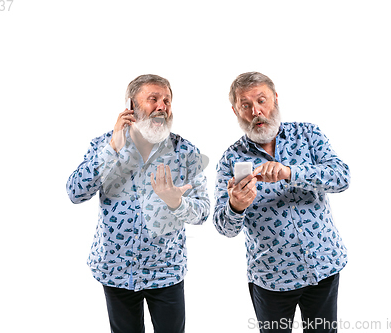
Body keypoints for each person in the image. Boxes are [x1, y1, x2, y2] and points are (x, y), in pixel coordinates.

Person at [67, 74, 210, 333]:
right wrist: (112, 148)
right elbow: (75, 193)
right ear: (131, 106)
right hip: (116, 269)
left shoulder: (186, 152)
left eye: (166, 100)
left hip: (166, 270)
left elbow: (202, 212)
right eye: (153, 99)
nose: (162, 106)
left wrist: (177, 203)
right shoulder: (104, 145)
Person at [213, 72, 350, 333]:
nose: (256, 111)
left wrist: (290, 172)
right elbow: (224, 228)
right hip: (271, 278)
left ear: (275, 99)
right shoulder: (230, 160)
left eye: (262, 100)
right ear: (235, 111)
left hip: (323, 265)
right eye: (246, 105)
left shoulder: (308, 134)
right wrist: (236, 206)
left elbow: (342, 178)